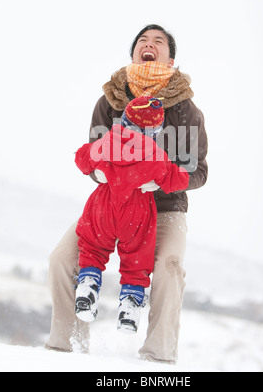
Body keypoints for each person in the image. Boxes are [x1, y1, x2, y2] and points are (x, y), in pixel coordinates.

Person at [46, 24, 208, 364]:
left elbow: (199, 172)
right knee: (61, 258)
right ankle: (66, 350)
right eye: (142, 41)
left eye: (158, 42)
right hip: (113, 202)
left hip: (164, 208)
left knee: (170, 266)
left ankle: (158, 358)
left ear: (171, 59)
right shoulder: (110, 101)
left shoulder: (186, 112)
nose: (149, 45)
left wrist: (160, 181)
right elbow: (91, 154)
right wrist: (98, 172)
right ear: (134, 52)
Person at [74, 96, 189, 333]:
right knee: (137, 259)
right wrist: (159, 180)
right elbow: (178, 179)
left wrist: (96, 167)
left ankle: (87, 286)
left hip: (103, 208)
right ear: (156, 130)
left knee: (92, 248)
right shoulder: (156, 155)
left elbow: (82, 159)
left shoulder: (107, 142)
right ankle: (130, 306)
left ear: (124, 120)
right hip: (136, 215)